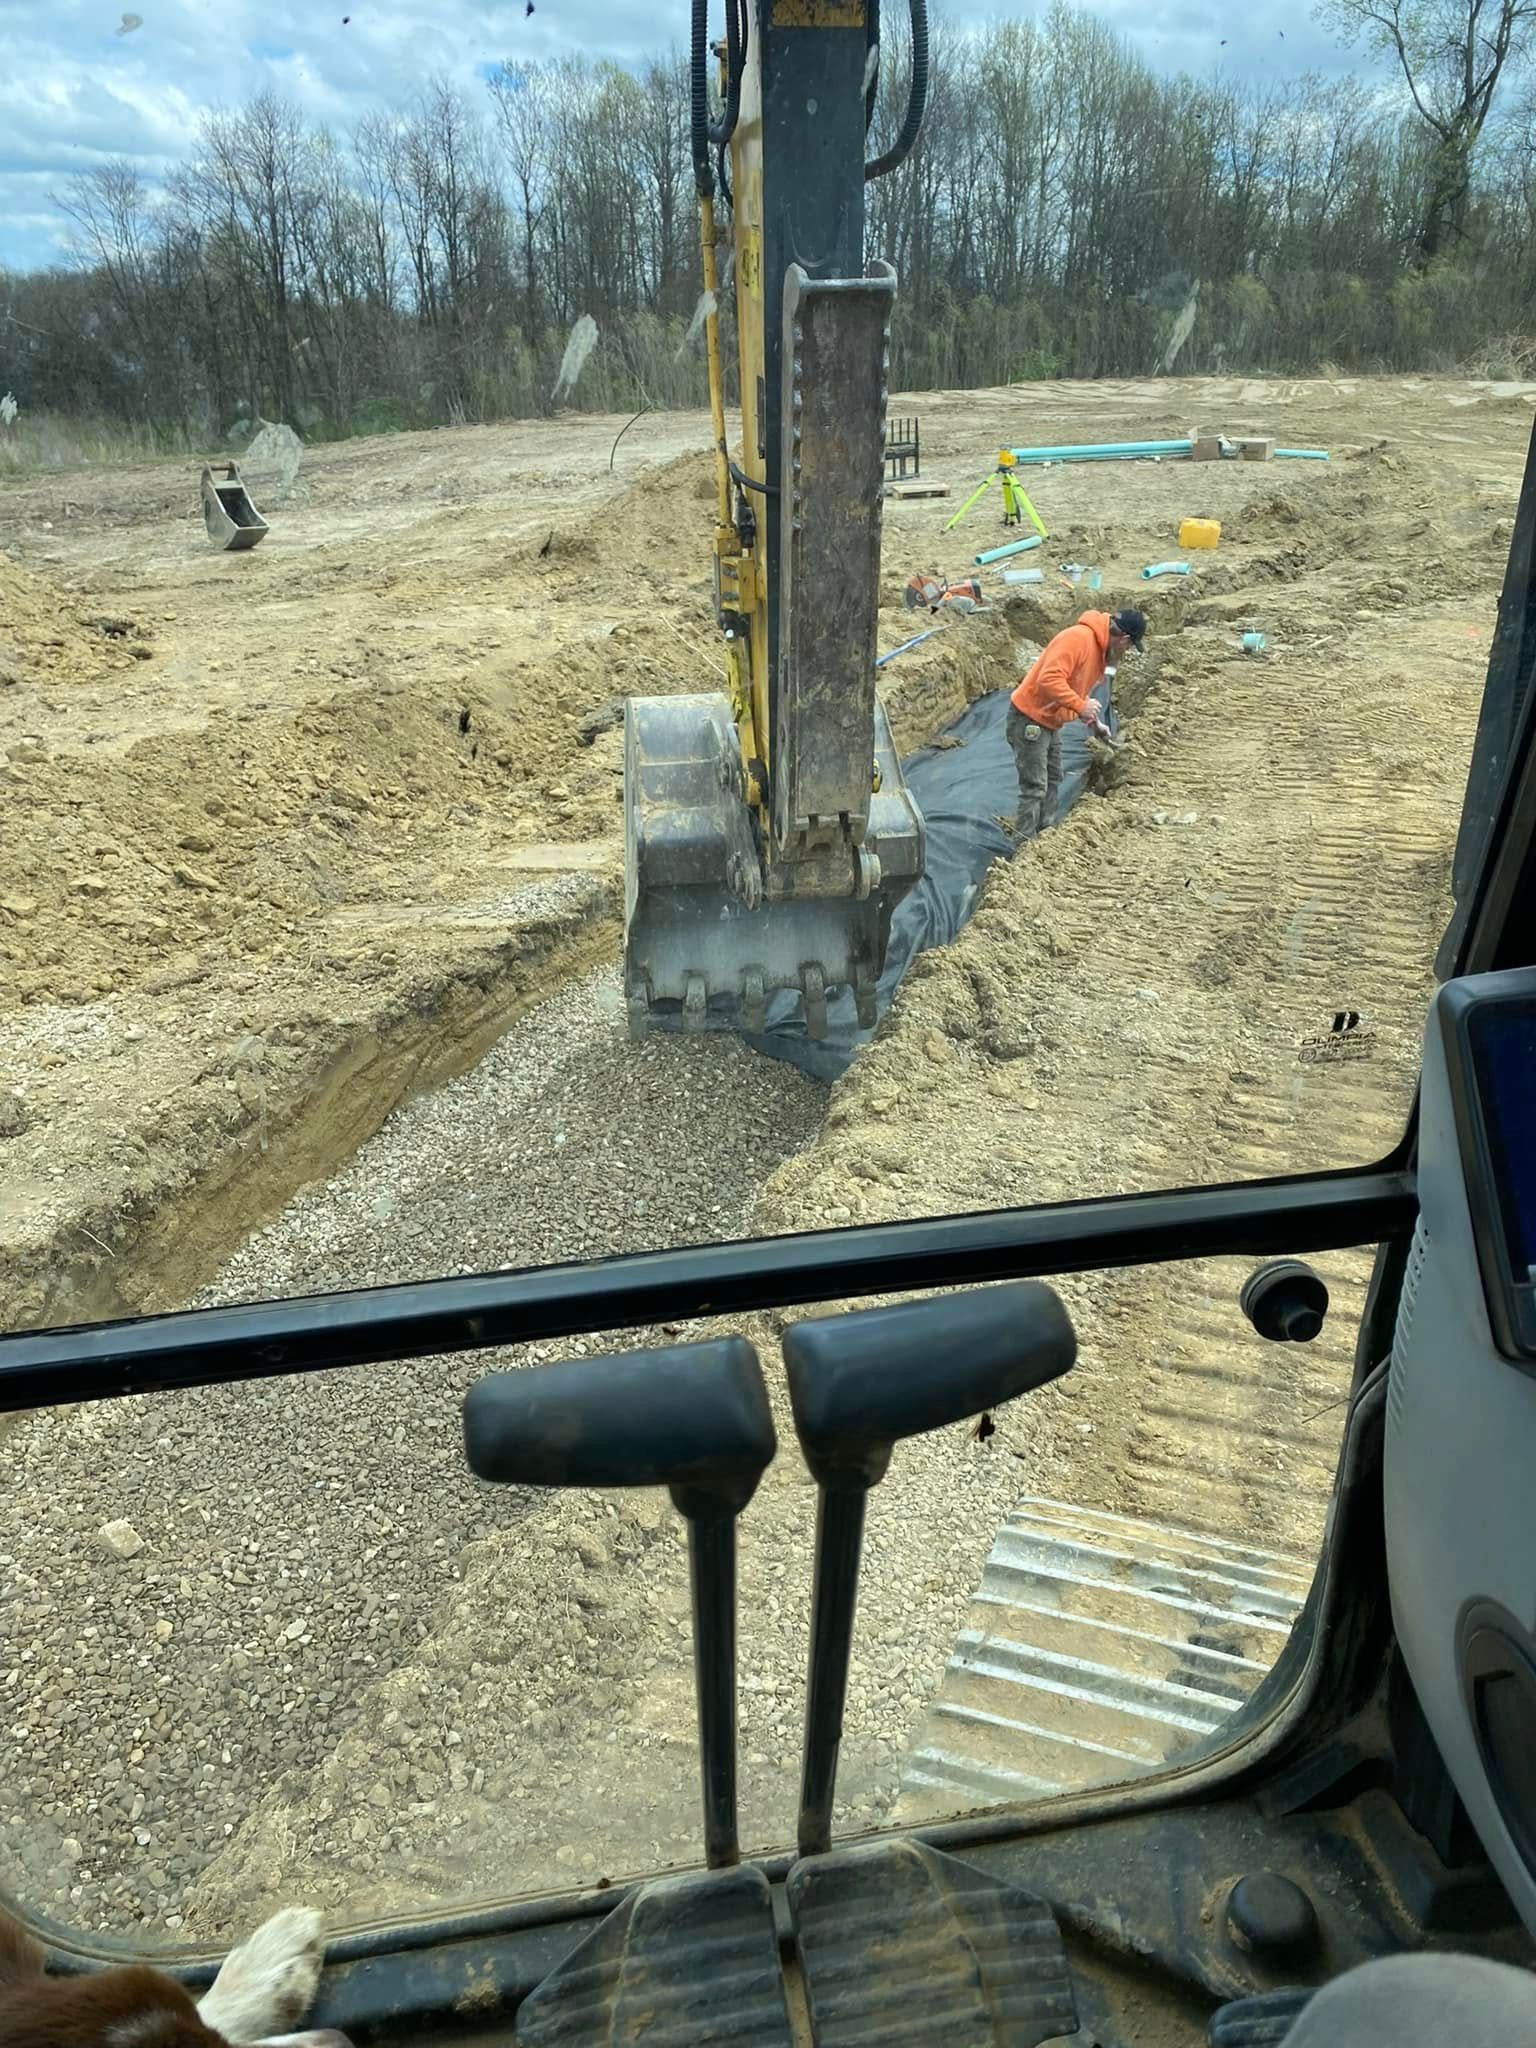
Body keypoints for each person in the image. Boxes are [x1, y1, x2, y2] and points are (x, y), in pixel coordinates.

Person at [1005, 606, 1145, 846]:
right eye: (1129, 647)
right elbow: (1049, 679)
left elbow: (1074, 691)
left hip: (1049, 721)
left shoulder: (1098, 650)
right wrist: (1080, 706)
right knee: (1035, 786)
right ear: (1124, 639)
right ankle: (1023, 845)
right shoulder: (1078, 639)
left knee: (1054, 777)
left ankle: (1046, 835)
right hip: (1029, 718)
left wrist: (1094, 723)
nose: (1126, 652)